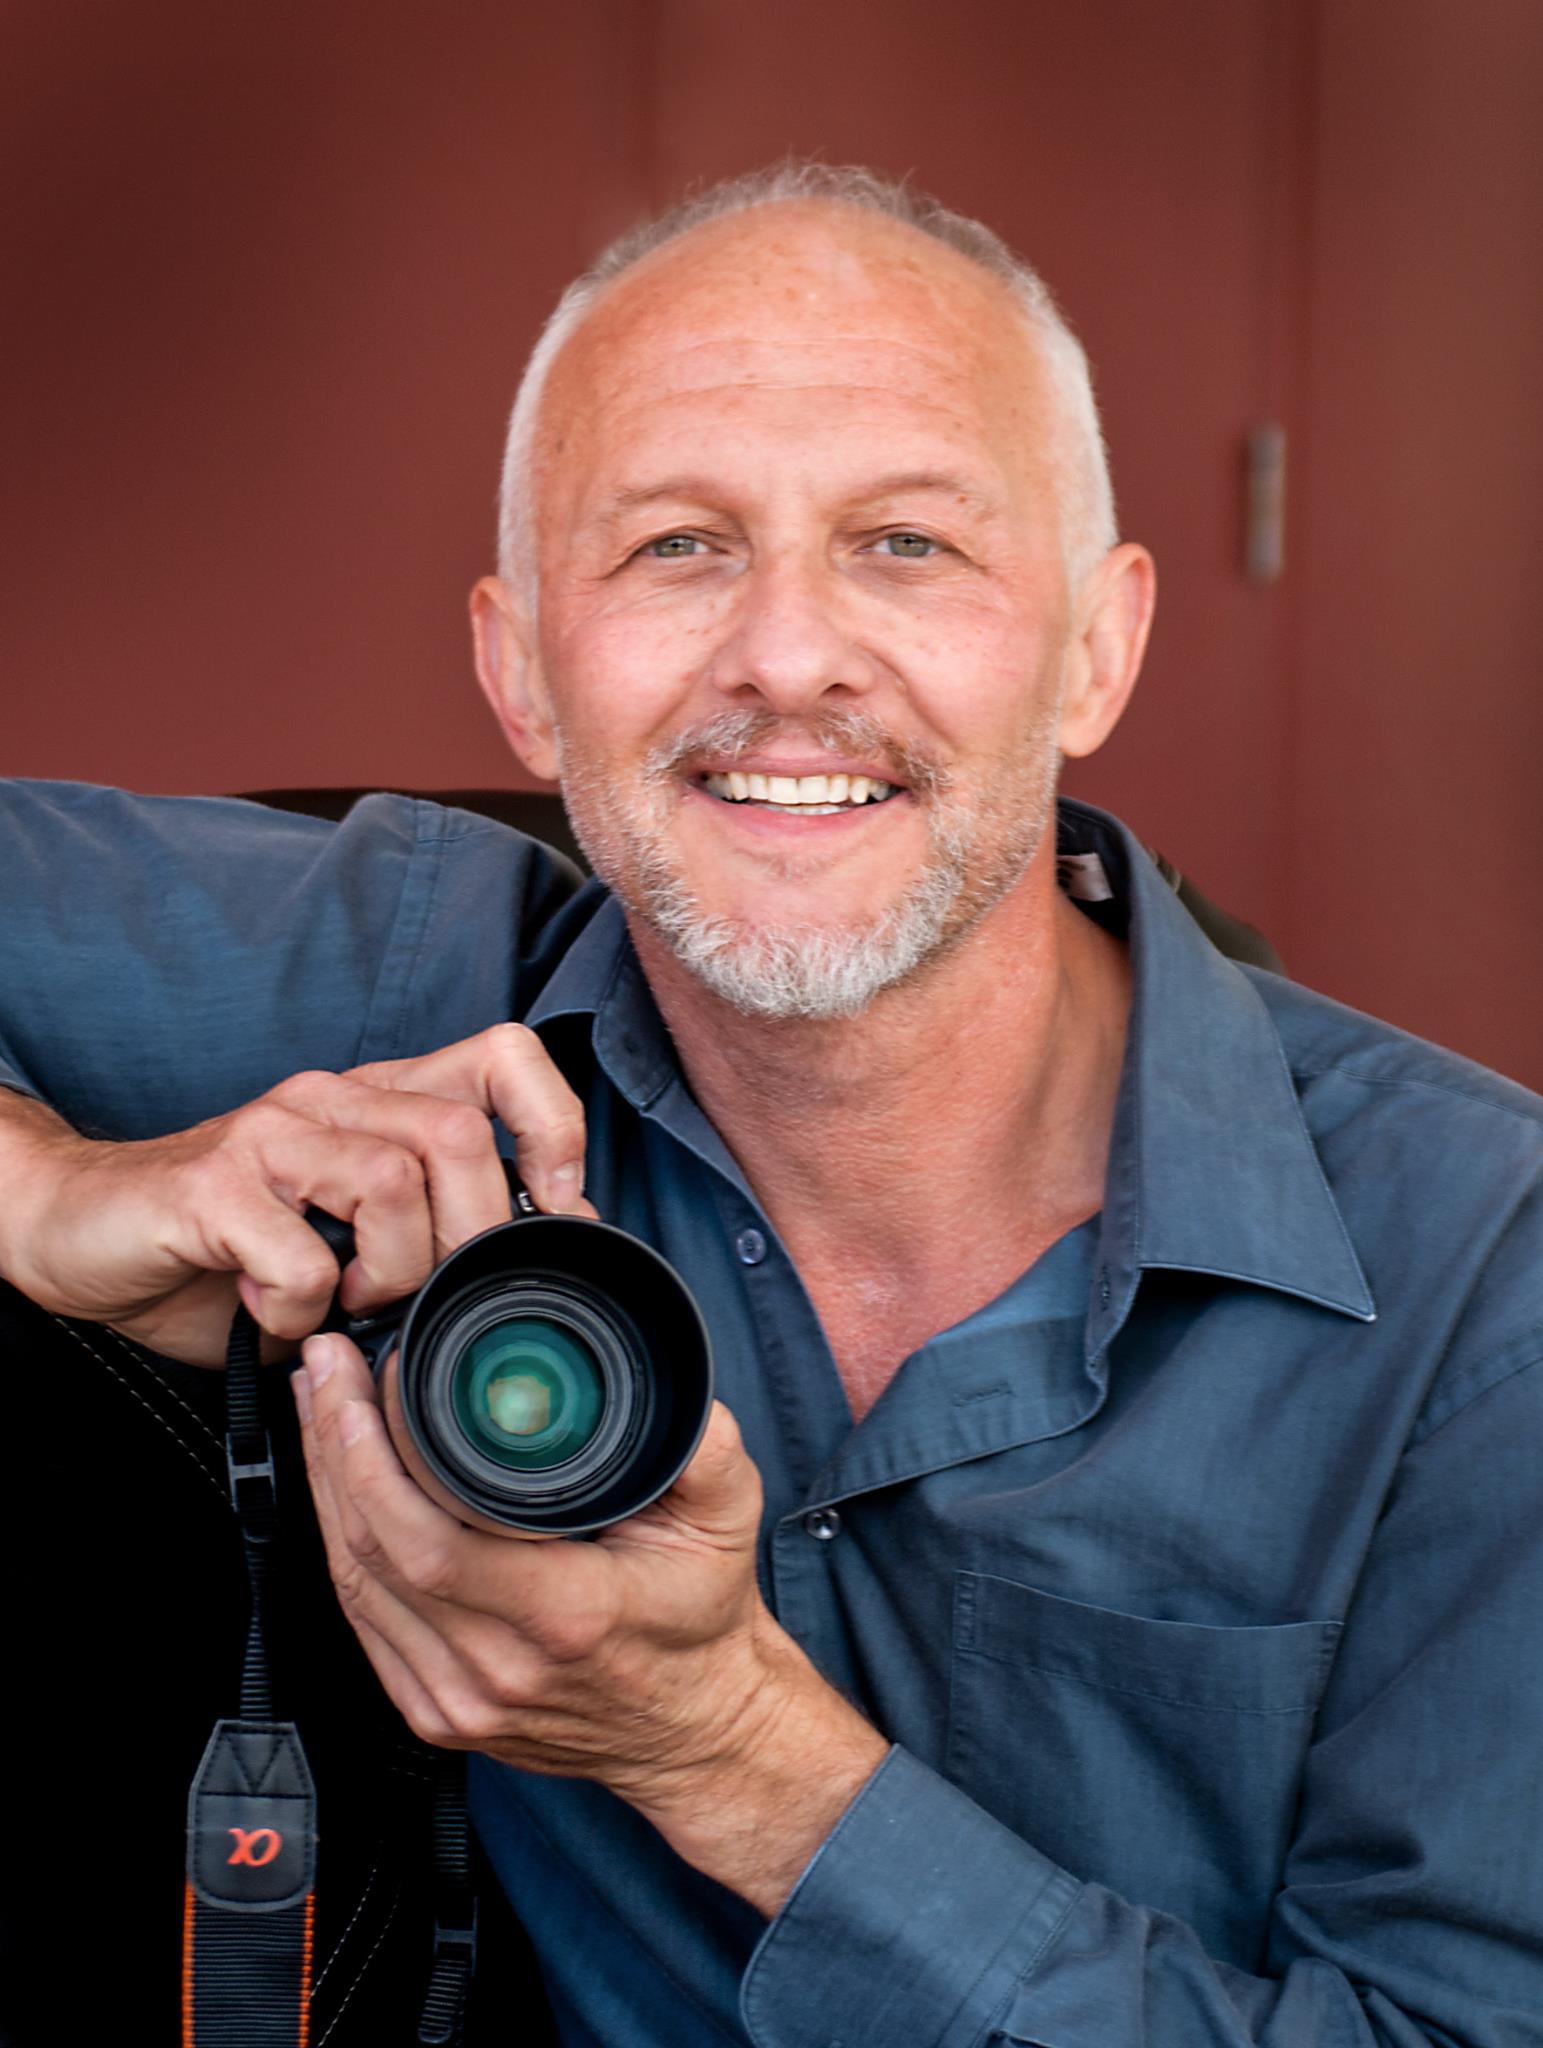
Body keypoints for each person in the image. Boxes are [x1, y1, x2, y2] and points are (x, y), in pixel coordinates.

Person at [3, 163, 1542, 2047]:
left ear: (1094, 647)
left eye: (907, 543)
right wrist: (55, 1196)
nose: (788, 654)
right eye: (676, 546)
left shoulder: (1488, 1277)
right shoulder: (405, 980)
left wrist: (720, 1750)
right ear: (517, 672)